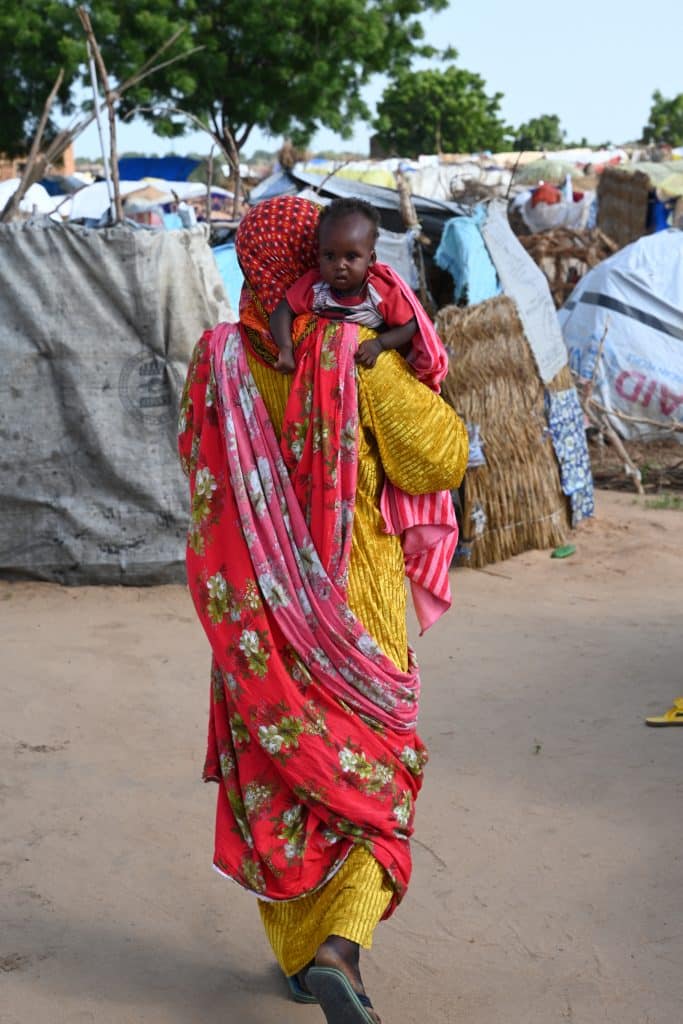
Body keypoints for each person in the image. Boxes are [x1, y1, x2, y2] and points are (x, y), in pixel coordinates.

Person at [178, 195, 468, 1024]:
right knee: (376, 779)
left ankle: (302, 958)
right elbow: (439, 457)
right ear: (313, 259)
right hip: (352, 610)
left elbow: (197, 474)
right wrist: (388, 369)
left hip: (253, 624)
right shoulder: (350, 351)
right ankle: (338, 948)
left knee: (282, 779)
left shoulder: (216, 360)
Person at [270, 197, 439, 379]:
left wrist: (379, 344)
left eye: (351, 257)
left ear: (371, 259)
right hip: (324, 375)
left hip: (372, 374)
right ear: (318, 256)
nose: (340, 265)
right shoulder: (315, 286)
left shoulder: (378, 291)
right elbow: (283, 311)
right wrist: (285, 348)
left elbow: (409, 325)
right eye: (329, 256)